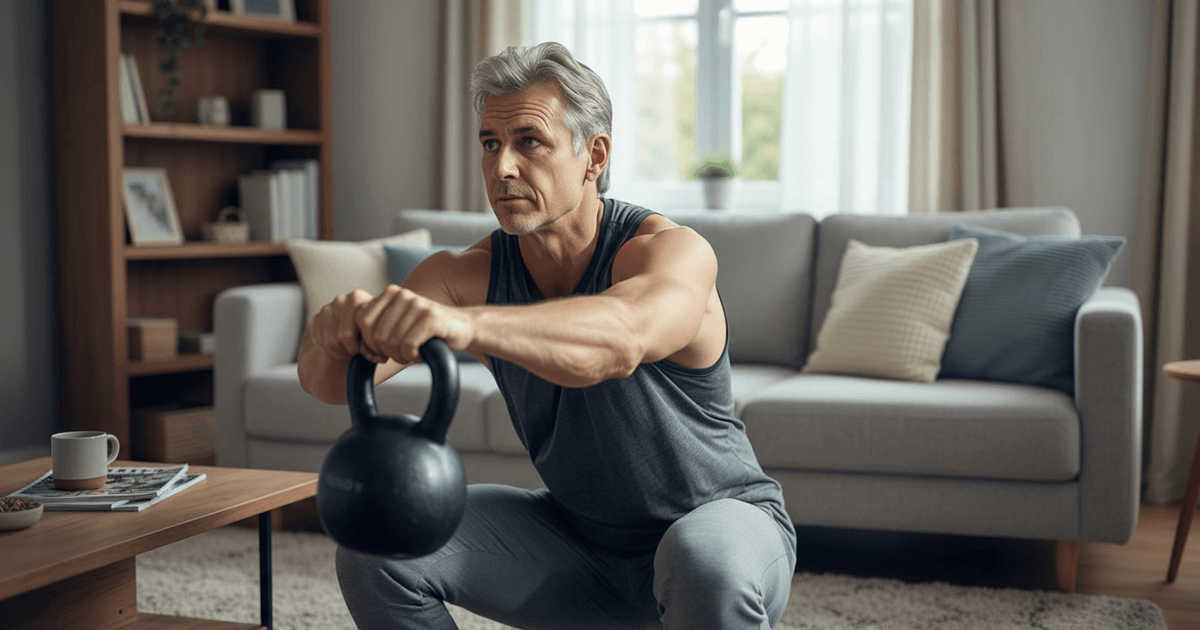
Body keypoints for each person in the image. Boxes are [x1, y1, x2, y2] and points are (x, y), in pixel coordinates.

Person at [298, 41, 797, 630]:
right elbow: (326, 384)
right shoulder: (464, 276)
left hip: (724, 525)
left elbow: (620, 338)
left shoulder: (668, 251)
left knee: (701, 559)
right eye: (490, 143)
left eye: (528, 142)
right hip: (581, 548)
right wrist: (332, 337)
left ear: (594, 155)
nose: (501, 167)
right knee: (377, 546)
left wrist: (467, 324)